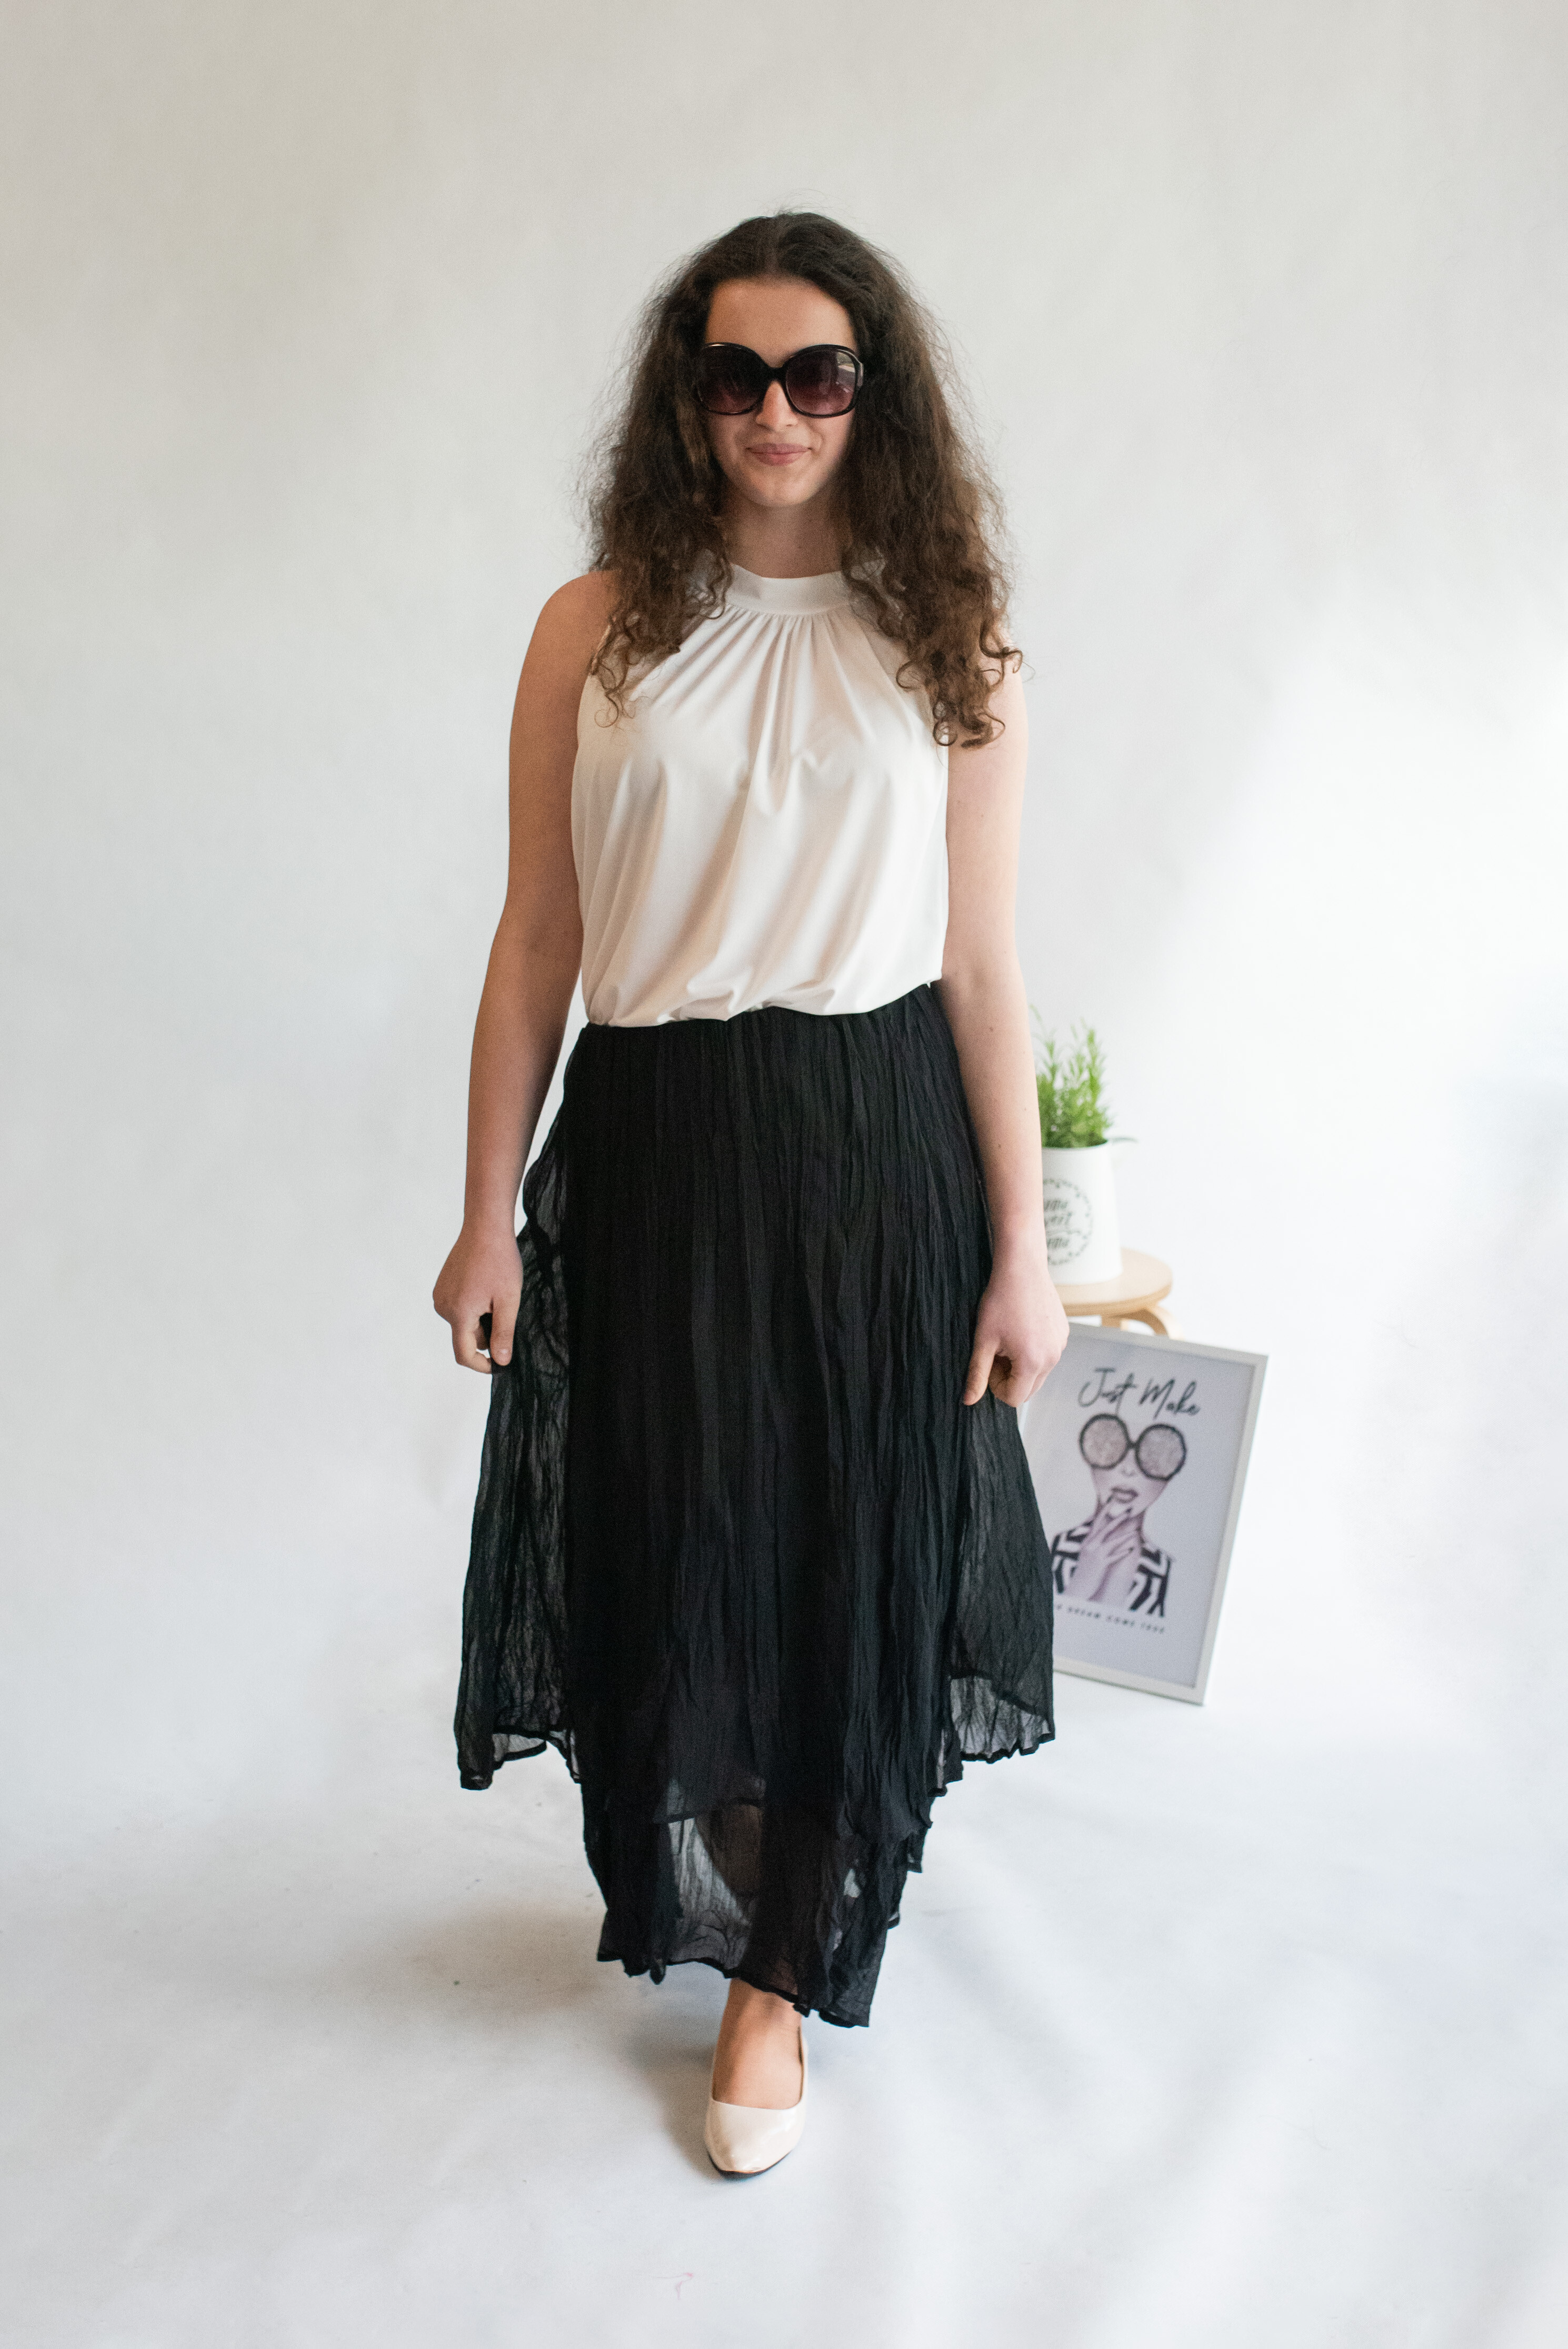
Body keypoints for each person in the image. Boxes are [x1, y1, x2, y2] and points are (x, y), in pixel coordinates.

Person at [433, 211, 1068, 2176]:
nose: (774, 411)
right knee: (672, 1532)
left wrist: (1023, 1246)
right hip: (653, 1136)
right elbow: (537, 940)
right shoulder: (596, 626)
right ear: (684, 395)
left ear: (874, 394)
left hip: (874, 1138)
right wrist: (484, 1206)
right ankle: (729, 1874)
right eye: (734, 375)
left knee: (843, 1542)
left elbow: (981, 967)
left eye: (817, 374)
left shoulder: (949, 639)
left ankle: (780, 1968)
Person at [1047, 1415, 1189, 1617]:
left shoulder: (1167, 1571)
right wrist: (1080, 1585)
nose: (1128, 1470)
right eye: (1108, 1447)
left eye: (1155, 1456)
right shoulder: (1055, 1546)